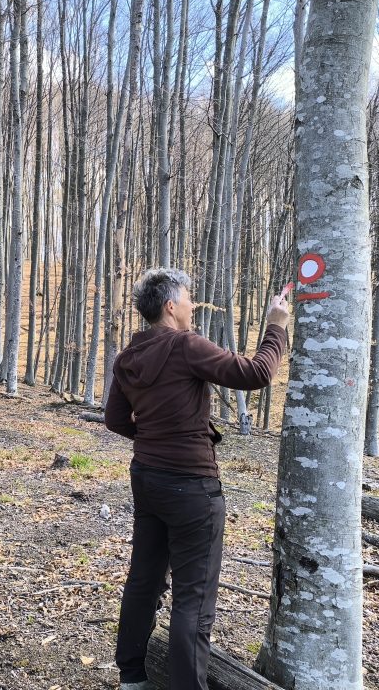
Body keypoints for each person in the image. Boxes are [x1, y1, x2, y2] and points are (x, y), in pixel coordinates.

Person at [105, 268, 290, 690]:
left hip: (147, 477)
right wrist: (275, 327)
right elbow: (255, 374)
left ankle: (132, 677)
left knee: (143, 579)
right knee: (193, 597)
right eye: (189, 299)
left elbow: (116, 419)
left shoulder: (128, 356)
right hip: (191, 486)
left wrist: (154, 436)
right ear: (171, 307)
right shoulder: (186, 345)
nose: (193, 305)